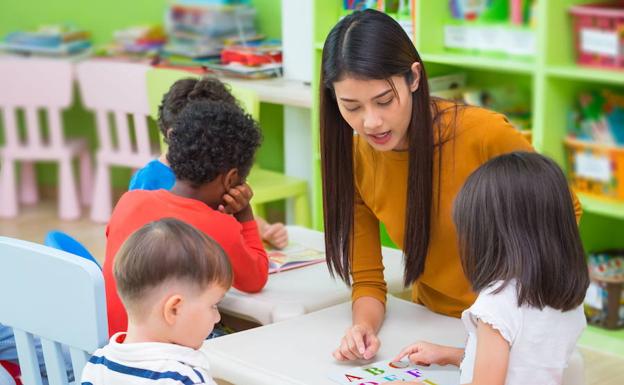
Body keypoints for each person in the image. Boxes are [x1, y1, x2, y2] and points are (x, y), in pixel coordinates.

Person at [319, 9, 582, 361]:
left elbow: (564, 211)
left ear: (414, 77)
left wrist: (505, 306)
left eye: (384, 100)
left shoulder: (483, 134)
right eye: (351, 107)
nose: (371, 121)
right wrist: (362, 326)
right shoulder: (354, 158)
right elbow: (367, 278)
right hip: (431, 321)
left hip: (506, 327)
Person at [390, 152, 589, 385]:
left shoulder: (498, 304)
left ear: (491, 236)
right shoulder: (565, 297)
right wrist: (450, 355)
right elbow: (525, 364)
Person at [104, 99, 269, 336]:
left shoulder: (130, 201)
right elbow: (256, 279)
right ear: (231, 179)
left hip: (116, 343)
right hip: (164, 357)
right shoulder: (218, 227)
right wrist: (244, 215)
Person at [129, 77, 288, 249]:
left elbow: (223, 213)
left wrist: (263, 228)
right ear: (174, 136)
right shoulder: (149, 183)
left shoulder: (212, 174)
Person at [82, 218, 230, 385]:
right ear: (174, 309)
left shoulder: (97, 364)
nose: (217, 318)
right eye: (213, 306)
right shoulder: (186, 379)